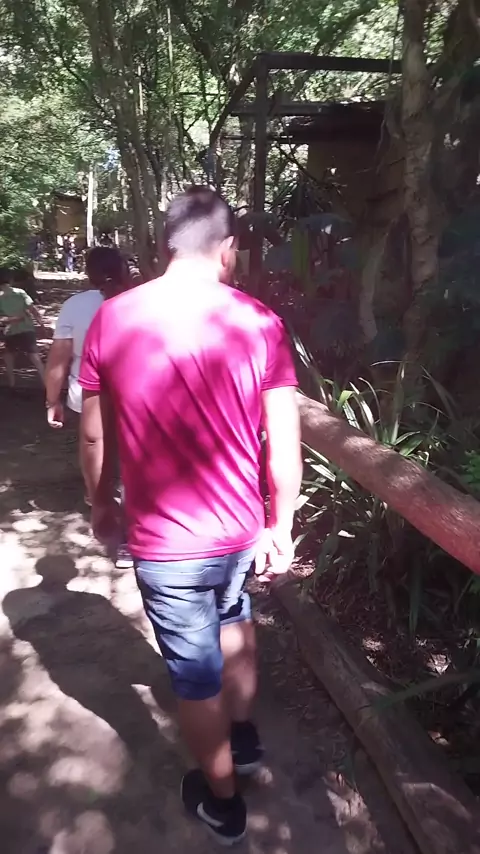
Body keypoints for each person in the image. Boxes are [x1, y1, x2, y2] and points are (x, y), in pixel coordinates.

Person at [78, 186, 302, 844]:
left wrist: (100, 501)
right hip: (237, 532)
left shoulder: (114, 317)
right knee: (235, 620)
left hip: (165, 541)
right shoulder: (259, 321)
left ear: (162, 245)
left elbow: (94, 436)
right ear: (227, 249)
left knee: (194, 676)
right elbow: (284, 442)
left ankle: (223, 803)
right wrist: (280, 524)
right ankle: (244, 739)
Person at [44, 246, 132, 567]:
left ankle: (99, 501)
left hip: (86, 396)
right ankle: (127, 539)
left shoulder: (75, 306)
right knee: (130, 465)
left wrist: (52, 399)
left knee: (95, 451)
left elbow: (59, 358)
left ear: (88, 273)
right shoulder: (139, 300)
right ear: (124, 270)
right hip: (134, 397)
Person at [0, 267, 46, 389]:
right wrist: (41, 324)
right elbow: (33, 310)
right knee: (35, 357)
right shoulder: (20, 293)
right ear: (10, 279)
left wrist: (9, 320)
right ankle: (47, 385)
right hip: (27, 328)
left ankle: (12, 384)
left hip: (10, 331)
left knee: (9, 357)